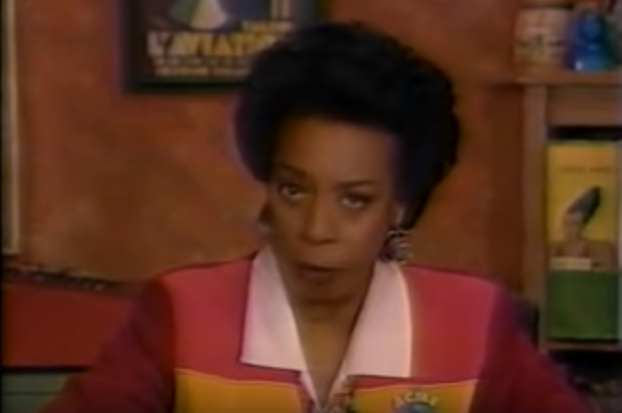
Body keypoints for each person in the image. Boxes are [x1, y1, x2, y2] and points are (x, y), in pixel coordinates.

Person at [42, 22, 593, 413]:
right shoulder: (181, 314)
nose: (315, 230)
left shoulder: (472, 323)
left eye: (354, 200)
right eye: (294, 190)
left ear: (399, 208)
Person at [549, 186, 617, 271]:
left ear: (582, 226)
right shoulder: (549, 251)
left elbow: (607, 272)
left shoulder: (603, 251)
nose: (569, 228)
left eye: (574, 224)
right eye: (566, 223)